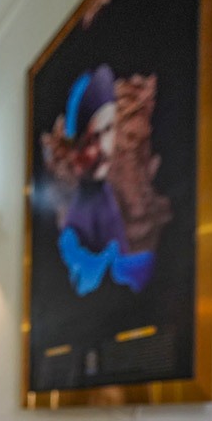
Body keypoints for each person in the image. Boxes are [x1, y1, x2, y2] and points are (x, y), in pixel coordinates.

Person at [57, 64, 154, 297]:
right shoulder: (75, 223)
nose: (103, 148)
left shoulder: (108, 196)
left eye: (109, 130)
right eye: (92, 139)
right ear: (77, 150)